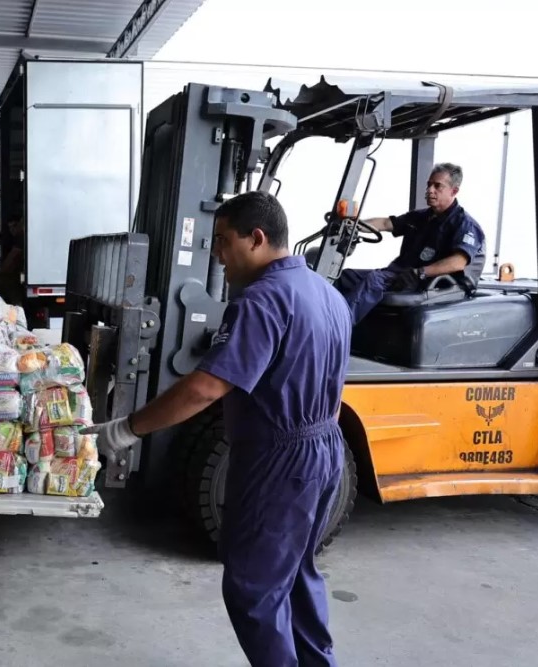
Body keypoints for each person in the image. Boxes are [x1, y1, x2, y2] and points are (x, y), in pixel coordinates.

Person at [86, 191, 351, 667]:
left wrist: (126, 429)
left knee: (253, 585)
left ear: (257, 238)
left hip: (281, 459)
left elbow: (206, 388)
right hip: (325, 446)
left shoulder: (261, 301)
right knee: (297, 573)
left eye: (225, 242)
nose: (219, 257)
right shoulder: (328, 294)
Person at [333, 162, 485, 323]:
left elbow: (458, 262)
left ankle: (336, 329)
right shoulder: (421, 217)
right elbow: (386, 223)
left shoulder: (465, 224)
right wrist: (355, 225)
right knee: (344, 277)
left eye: (437, 186)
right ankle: (325, 320)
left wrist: (420, 272)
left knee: (373, 280)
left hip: (428, 283)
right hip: (400, 274)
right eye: (429, 185)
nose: (429, 190)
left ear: (454, 191)